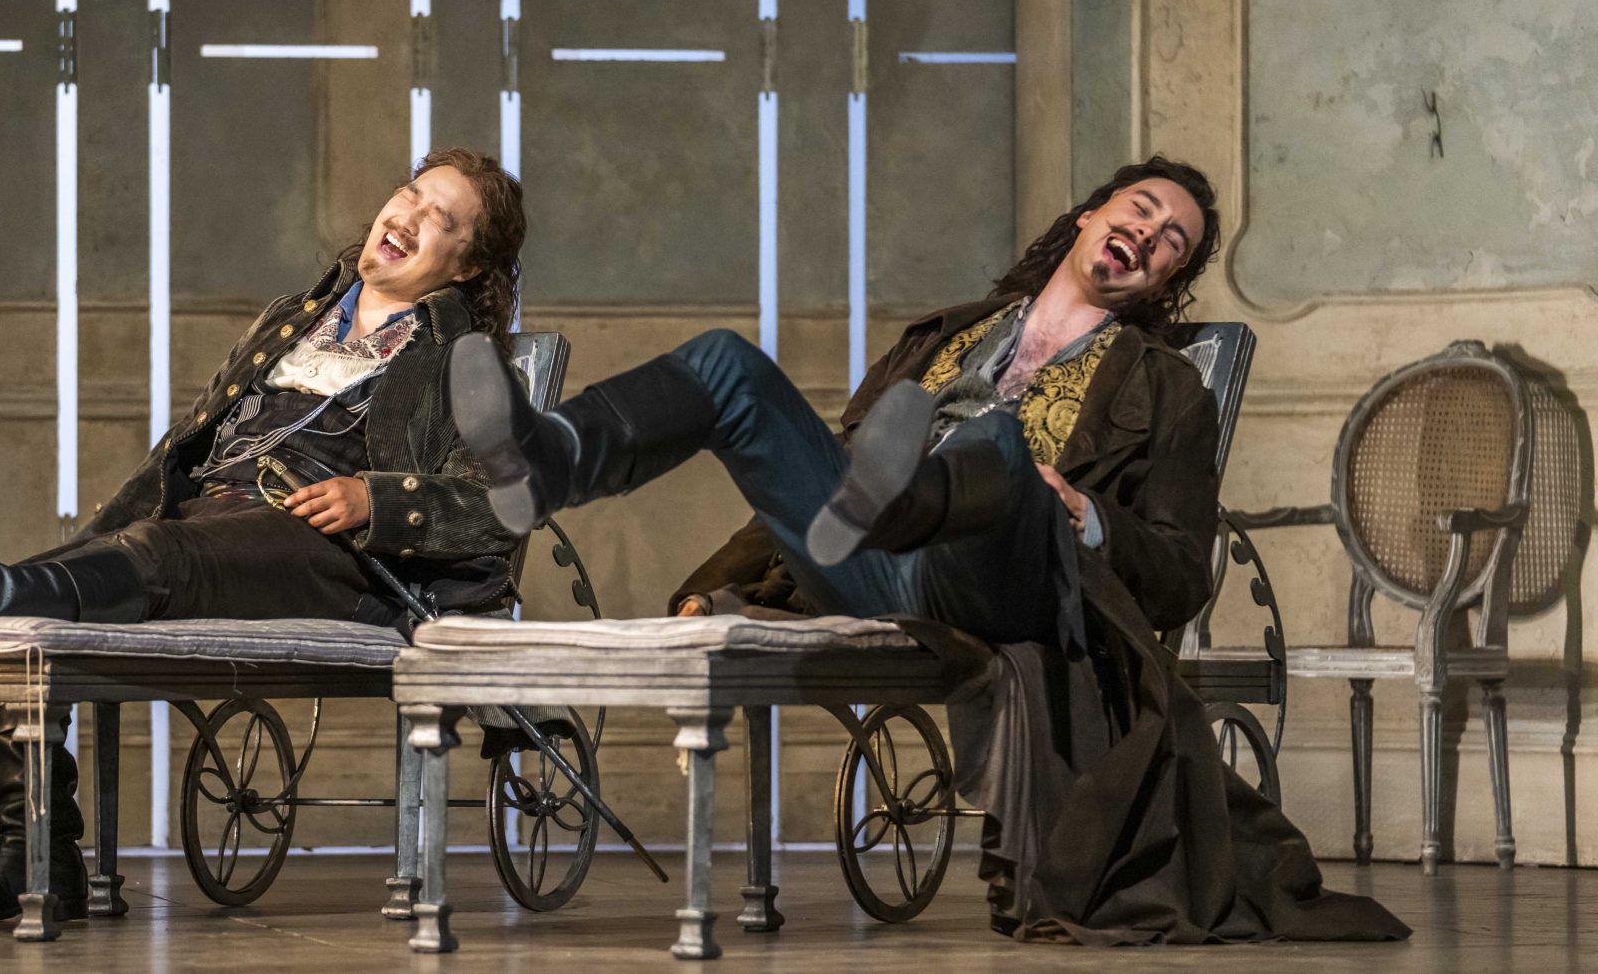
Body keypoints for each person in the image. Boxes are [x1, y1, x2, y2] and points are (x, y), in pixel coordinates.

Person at [449, 155, 1407, 944]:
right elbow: (812, 481)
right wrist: (722, 587)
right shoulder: (942, 338)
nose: (1149, 237)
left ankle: (918, 494)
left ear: (1164, 283)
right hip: (865, 556)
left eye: (1172, 245)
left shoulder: (1166, 390)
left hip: (1000, 577)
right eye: (1141, 211)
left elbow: (1181, 573)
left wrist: (1086, 514)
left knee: (998, 442)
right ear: (1089, 215)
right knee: (726, 362)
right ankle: (546, 457)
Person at [0, 148, 527, 924]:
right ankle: (35, 856)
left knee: (154, 558)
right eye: (410, 193)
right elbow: (192, 436)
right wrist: (116, 522)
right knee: (33, 597)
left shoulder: (465, 363)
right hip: (213, 515)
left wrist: (374, 498)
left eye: (439, 217)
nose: (408, 215)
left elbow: (500, 503)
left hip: (334, 555)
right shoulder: (292, 317)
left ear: (468, 265)